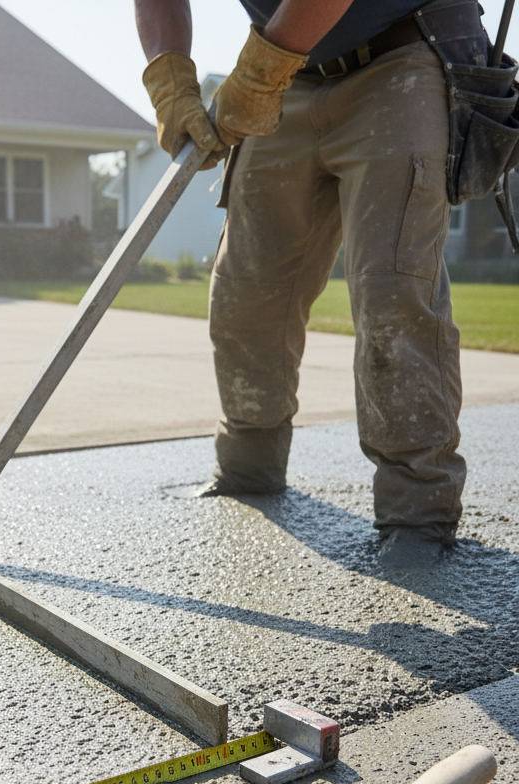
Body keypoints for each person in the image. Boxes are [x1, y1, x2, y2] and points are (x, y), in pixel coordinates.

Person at [136, 0, 480, 568]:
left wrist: (261, 68)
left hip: (402, 57)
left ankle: (419, 513)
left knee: (392, 293)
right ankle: (249, 467)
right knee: (247, 290)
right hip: (287, 77)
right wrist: (168, 75)